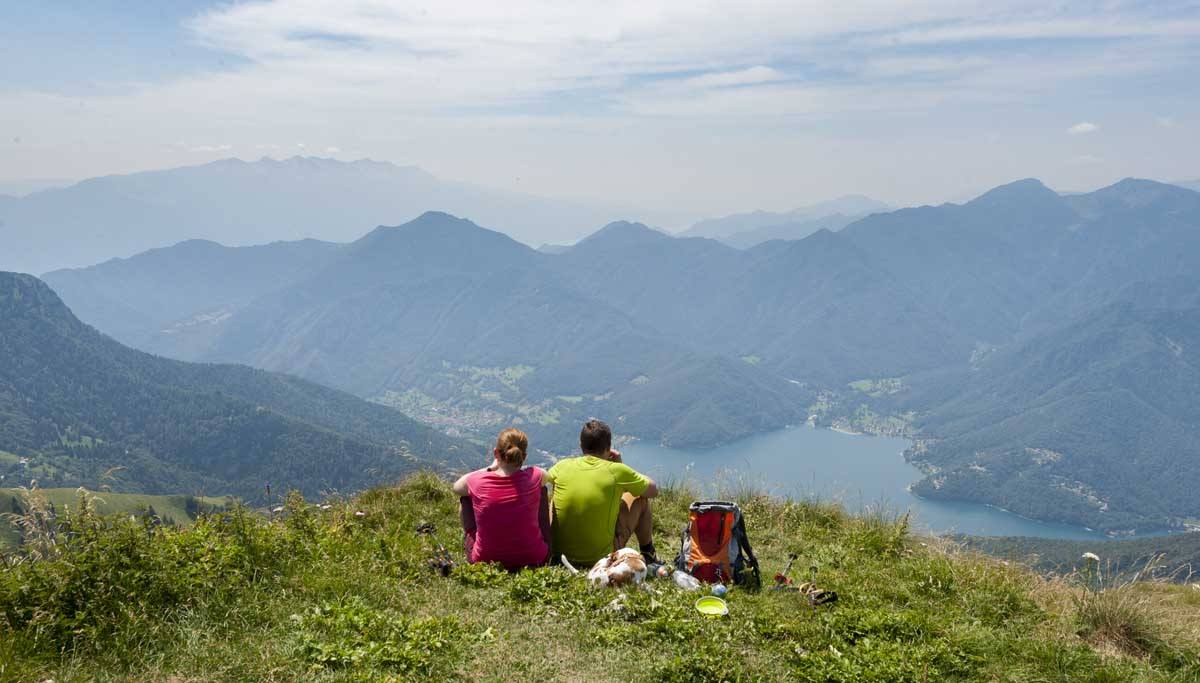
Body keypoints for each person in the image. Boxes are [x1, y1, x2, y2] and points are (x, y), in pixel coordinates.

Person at [545, 419, 659, 568]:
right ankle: (648, 553)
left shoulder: (562, 466)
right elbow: (653, 490)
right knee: (639, 497)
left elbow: (543, 481)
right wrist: (621, 466)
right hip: (600, 559)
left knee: (554, 498)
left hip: (559, 555)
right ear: (609, 448)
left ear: (581, 446)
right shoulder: (617, 471)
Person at [452, 428, 550, 570]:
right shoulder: (535, 475)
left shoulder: (477, 481)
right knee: (542, 490)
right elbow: (547, 476)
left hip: (485, 560)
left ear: (496, 453)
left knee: (465, 499)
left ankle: (474, 542)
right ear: (524, 456)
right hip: (535, 557)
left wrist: (491, 468)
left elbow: (456, 487)